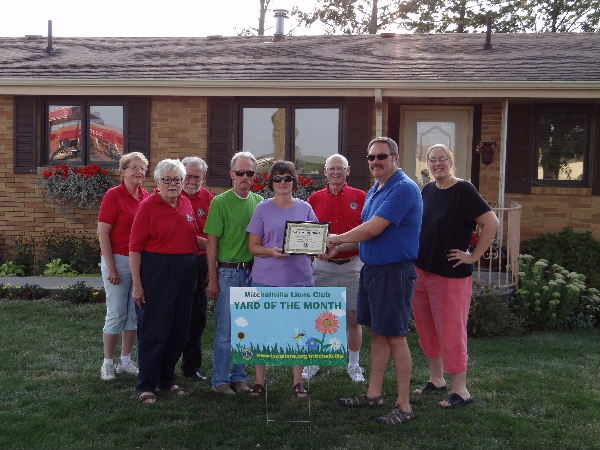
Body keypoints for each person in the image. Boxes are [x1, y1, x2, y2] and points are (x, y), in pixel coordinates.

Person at [327, 137, 422, 426]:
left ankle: (404, 406)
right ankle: (374, 394)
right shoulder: (377, 189)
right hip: (372, 269)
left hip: (393, 271)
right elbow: (369, 234)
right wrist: (339, 247)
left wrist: (336, 238)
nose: (375, 162)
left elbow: (373, 228)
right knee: (377, 334)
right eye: (371, 158)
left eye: (381, 156)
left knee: (395, 336)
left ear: (395, 157)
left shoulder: (404, 188)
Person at [412, 144, 499, 408]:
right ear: (426, 163)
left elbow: (491, 222)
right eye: (432, 160)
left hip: (451, 274)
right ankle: (436, 379)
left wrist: (473, 255)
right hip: (422, 270)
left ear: (451, 161)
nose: (437, 164)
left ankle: (461, 390)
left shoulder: (464, 190)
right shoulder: (427, 190)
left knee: (451, 331)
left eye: (442, 159)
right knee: (427, 329)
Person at [129, 159, 205, 404]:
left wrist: (223, 245)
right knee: (154, 328)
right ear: (158, 183)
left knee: (179, 328)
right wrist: (138, 285)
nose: (173, 184)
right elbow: (134, 248)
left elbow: (193, 238)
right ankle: (146, 384)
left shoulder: (184, 203)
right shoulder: (148, 206)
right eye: (168, 180)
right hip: (158, 270)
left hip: (187, 269)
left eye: (177, 180)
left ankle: (167, 378)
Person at [246, 161, 317, 397]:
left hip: (299, 279)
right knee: (261, 331)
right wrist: (271, 251)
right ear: (271, 183)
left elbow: (315, 240)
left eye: (287, 178)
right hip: (266, 279)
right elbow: (253, 247)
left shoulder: (305, 208)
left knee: (299, 331)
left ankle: (297, 381)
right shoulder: (262, 209)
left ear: (294, 182)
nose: (283, 183)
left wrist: (319, 247)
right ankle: (259, 382)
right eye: (278, 179)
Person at [303, 154, 367, 383]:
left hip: (352, 265)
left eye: (340, 168)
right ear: (325, 171)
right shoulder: (314, 198)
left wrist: (342, 247)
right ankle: (314, 361)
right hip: (323, 266)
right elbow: (307, 234)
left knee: (353, 316)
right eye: (332, 168)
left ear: (348, 171)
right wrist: (314, 250)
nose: (336, 172)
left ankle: (353, 364)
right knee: (320, 314)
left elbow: (367, 233)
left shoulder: (360, 197)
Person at [204, 151, 263, 395]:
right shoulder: (220, 202)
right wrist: (213, 278)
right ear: (231, 175)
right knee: (226, 331)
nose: (245, 177)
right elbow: (211, 243)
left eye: (250, 173)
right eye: (240, 173)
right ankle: (220, 380)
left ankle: (240, 377)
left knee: (246, 330)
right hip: (228, 272)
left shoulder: (259, 202)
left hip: (252, 273)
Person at [97, 152, 149, 381]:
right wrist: (112, 268)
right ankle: (107, 363)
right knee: (117, 312)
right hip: (117, 260)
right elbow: (103, 234)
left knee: (134, 315)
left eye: (143, 169)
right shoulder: (113, 196)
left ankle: (126, 361)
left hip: (138, 262)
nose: (139, 172)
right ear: (123, 171)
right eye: (134, 168)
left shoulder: (146, 196)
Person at [179, 156, 213, 382]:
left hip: (200, 262)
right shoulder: (171, 195)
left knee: (198, 316)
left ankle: (191, 367)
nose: (192, 180)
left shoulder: (209, 198)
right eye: (188, 176)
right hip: (175, 261)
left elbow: (213, 234)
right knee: (172, 315)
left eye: (196, 177)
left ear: (203, 178)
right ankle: (166, 363)